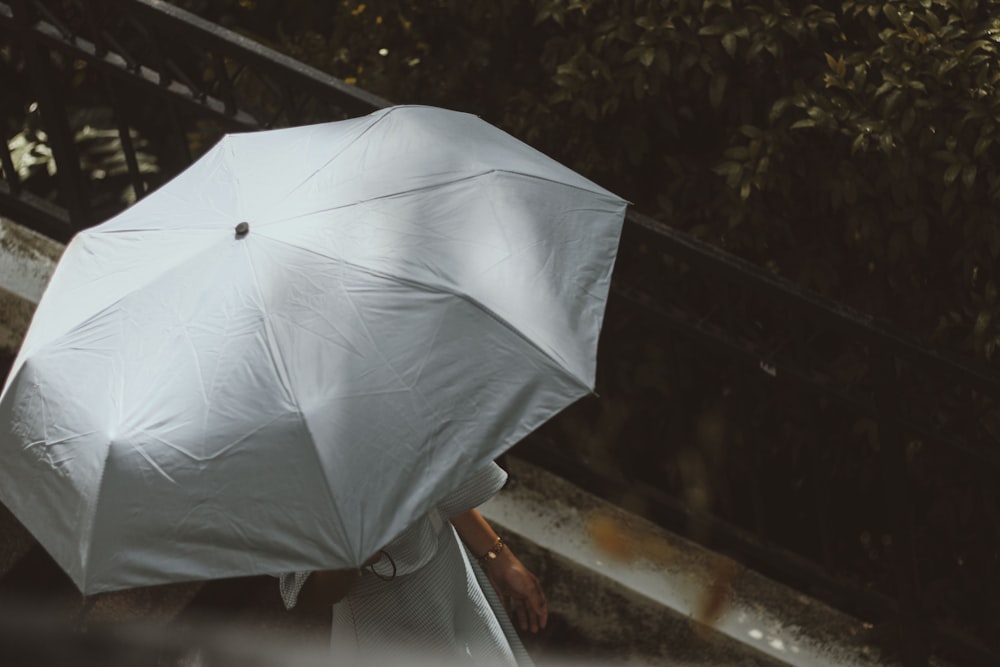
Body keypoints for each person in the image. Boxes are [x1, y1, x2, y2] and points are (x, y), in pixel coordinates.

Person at [279, 462, 548, 665]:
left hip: (451, 570)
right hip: (384, 612)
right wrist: (352, 553)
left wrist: (496, 554)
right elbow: (311, 590)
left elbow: (435, 468)